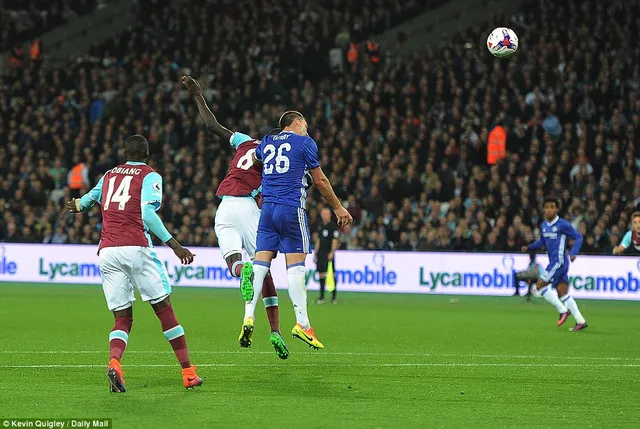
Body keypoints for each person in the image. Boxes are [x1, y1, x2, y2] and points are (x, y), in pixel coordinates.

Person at [67, 134, 203, 391]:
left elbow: (85, 202)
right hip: (136, 247)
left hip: (107, 251)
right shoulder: (150, 175)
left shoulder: (108, 175)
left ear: (124, 152)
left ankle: (115, 363)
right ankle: (188, 372)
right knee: (164, 309)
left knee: (122, 318)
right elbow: (147, 213)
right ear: (148, 153)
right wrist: (175, 245)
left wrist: (73, 206)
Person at [181, 76, 288, 359]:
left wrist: (198, 96)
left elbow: (211, 125)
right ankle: (275, 330)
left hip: (225, 206)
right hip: (249, 207)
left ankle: (242, 272)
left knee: (233, 260)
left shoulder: (244, 141)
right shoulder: (277, 158)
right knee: (264, 269)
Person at [243, 111, 353, 350]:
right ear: (296, 122)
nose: (308, 129)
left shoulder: (267, 142)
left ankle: (248, 316)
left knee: (261, 263)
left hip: (267, 210)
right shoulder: (305, 143)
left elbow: (254, 158)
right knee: (295, 267)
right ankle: (302, 324)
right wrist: (338, 208)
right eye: (306, 124)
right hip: (291, 208)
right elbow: (320, 181)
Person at [522, 197, 587, 331]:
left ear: (557, 209)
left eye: (552, 207)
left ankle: (562, 310)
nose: (549, 210)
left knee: (540, 285)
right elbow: (542, 242)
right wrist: (529, 248)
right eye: (547, 207)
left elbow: (578, 237)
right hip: (555, 262)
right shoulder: (544, 225)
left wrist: (574, 252)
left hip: (559, 262)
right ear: (544, 209)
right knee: (562, 292)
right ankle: (580, 321)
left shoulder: (563, 224)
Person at [314, 207, 340, 304]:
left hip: (329, 253)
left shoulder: (333, 226)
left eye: (326, 213)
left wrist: (332, 252)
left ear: (330, 215)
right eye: (323, 213)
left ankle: (333, 297)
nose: (324, 215)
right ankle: (321, 297)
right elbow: (318, 240)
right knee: (321, 274)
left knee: (331, 275)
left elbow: (335, 240)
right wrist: (316, 252)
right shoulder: (320, 226)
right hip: (321, 253)